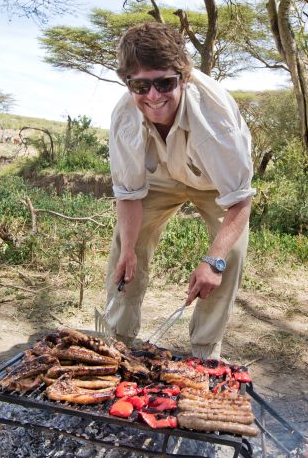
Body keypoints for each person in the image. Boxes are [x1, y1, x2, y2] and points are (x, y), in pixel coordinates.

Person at [103, 21, 255, 360]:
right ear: (128, 83)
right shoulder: (125, 117)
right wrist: (130, 248)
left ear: (183, 77)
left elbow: (240, 200)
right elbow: (129, 194)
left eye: (164, 83)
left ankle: (203, 352)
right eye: (140, 85)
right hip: (164, 173)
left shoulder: (215, 122)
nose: (153, 96)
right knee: (125, 247)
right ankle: (117, 343)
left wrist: (212, 261)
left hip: (215, 181)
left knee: (227, 255)